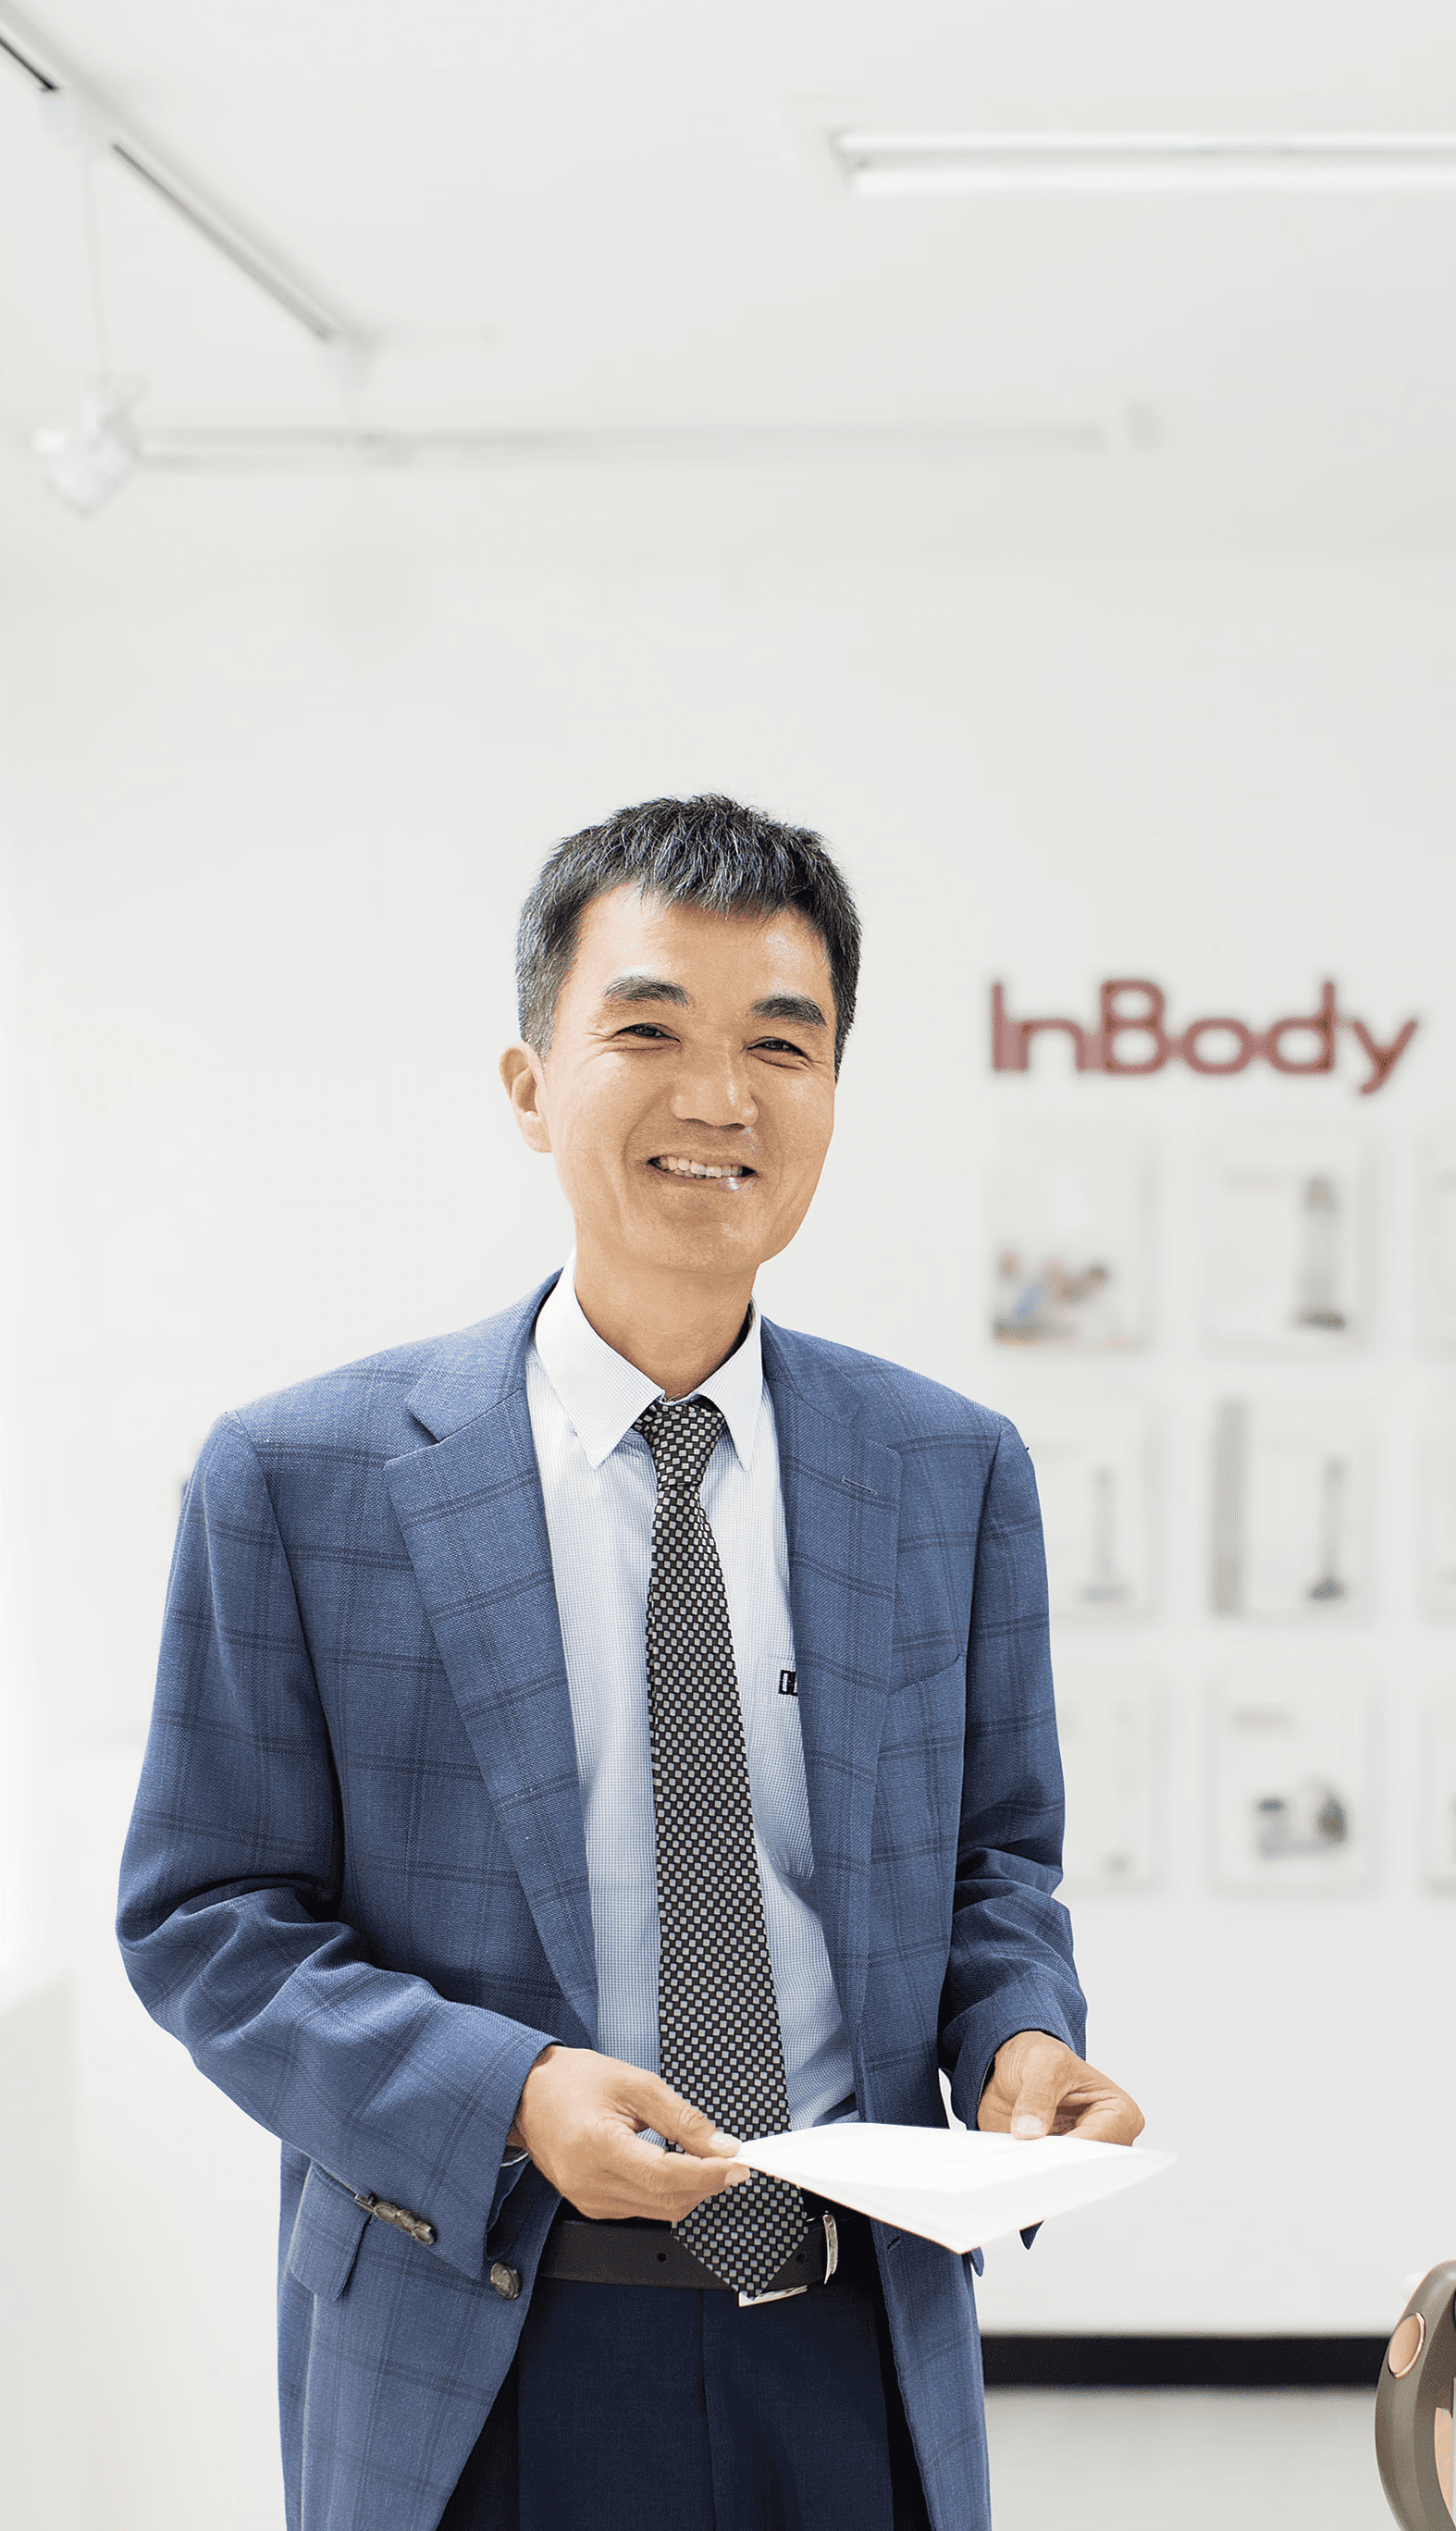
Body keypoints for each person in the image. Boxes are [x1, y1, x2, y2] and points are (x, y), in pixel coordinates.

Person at [118, 796, 1142, 2531]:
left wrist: (1021, 2036)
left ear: (833, 1095)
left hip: (851, 2332)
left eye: (780, 1044)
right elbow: (207, 1921)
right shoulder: (298, 1480)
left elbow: (993, 1866)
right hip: (483, 2333)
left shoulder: (947, 1472)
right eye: (649, 1032)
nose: (720, 1098)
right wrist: (509, 2097)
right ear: (531, 1085)